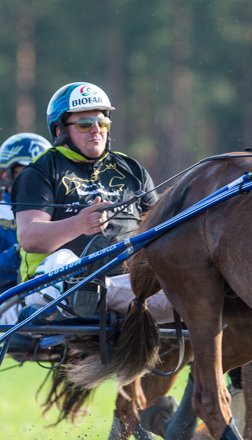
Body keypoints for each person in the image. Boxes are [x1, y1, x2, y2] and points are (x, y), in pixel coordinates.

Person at [10, 82, 173, 321]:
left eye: (103, 123)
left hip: (129, 282)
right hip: (51, 287)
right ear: (59, 131)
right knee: (64, 261)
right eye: (85, 124)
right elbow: (30, 239)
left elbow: (162, 230)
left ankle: (101, 292)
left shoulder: (133, 170)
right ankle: (91, 290)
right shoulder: (40, 172)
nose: (96, 130)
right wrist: (78, 224)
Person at [0, 132, 51, 324]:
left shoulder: (59, 212)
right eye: (29, 172)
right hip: (12, 307)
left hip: (60, 297)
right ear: (5, 174)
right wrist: (23, 251)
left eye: (44, 173)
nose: (38, 181)